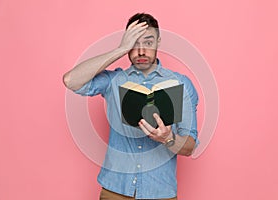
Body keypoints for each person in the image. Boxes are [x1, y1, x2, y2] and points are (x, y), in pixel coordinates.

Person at [63, 13, 199, 200]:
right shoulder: (113, 81)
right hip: (115, 191)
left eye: (148, 43)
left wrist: (168, 138)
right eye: (134, 44)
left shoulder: (181, 84)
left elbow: (190, 147)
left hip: (160, 193)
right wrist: (120, 49)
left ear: (158, 42)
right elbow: (71, 80)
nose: (141, 51)